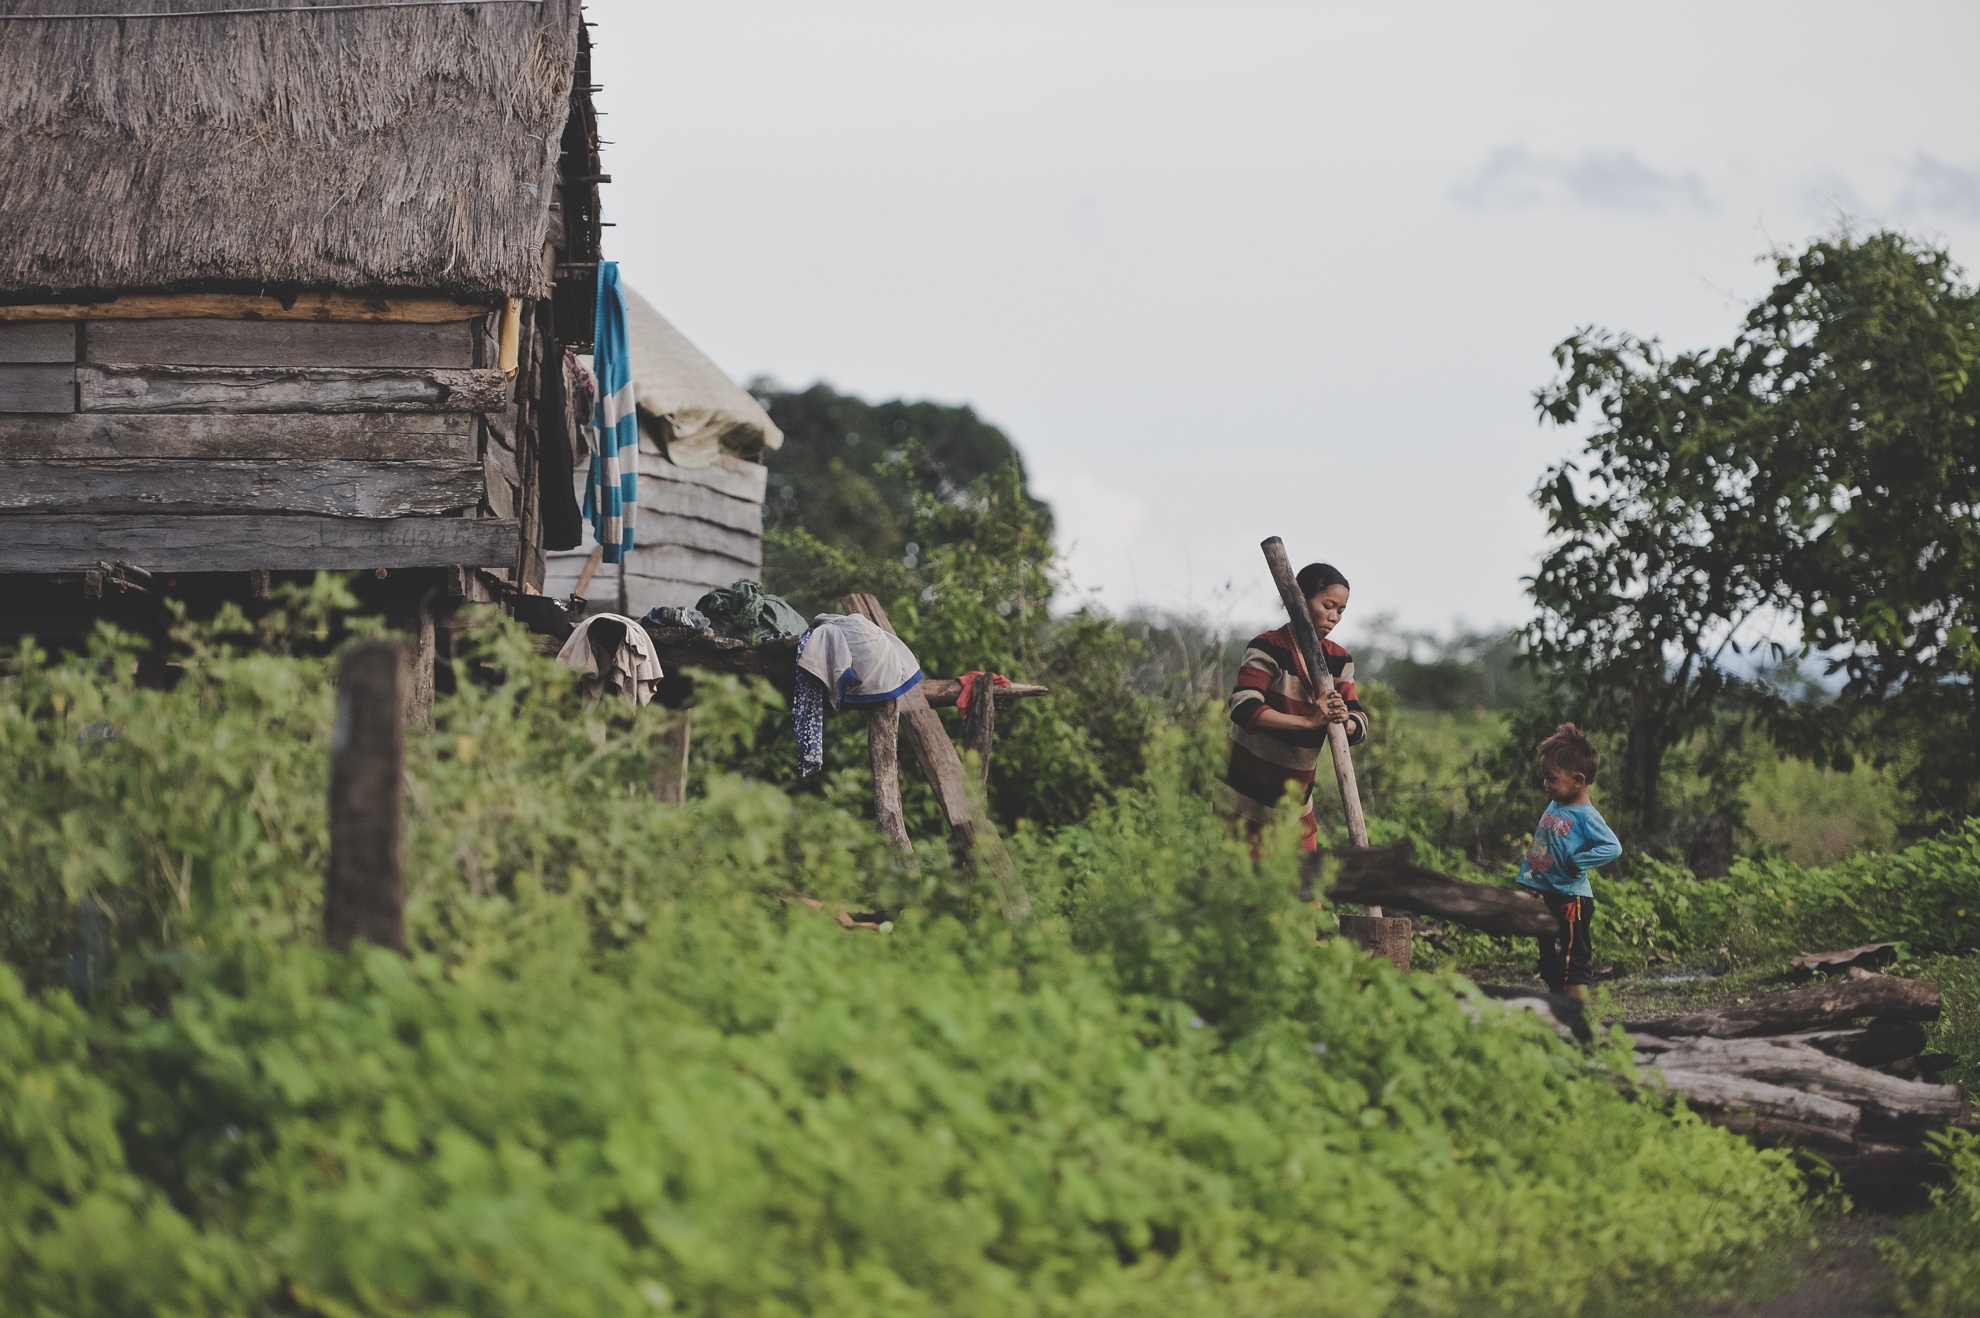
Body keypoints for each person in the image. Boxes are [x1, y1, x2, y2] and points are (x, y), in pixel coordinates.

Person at [1222, 562, 1369, 853]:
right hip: (1245, 800)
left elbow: (1358, 720)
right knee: (1243, 889)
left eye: (1340, 611)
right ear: (1300, 601)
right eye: (1328, 605)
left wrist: (1344, 718)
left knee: (1304, 893)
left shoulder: (1339, 660)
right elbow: (1244, 707)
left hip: (1297, 806)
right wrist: (1309, 722)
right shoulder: (1268, 647)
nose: (1334, 617)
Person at [1515, 723, 1622, 1001]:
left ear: (1578, 780)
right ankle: (1560, 1008)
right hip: (1549, 894)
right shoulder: (1556, 804)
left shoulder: (1587, 815)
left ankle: (1577, 1019)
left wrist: (1579, 861)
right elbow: (1543, 845)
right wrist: (1534, 881)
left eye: (1551, 779)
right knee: (1549, 961)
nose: (1545, 784)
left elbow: (1613, 847)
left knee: (1574, 959)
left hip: (1573, 899)